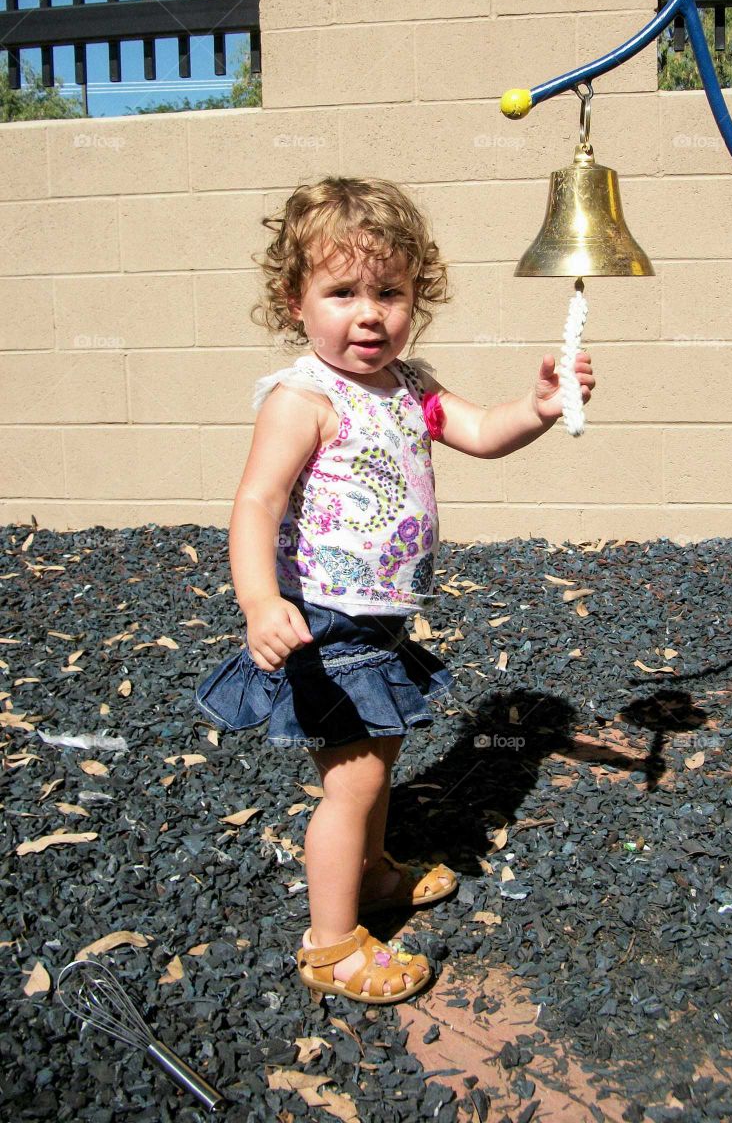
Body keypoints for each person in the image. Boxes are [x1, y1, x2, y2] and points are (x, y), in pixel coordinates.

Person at [195, 176, 595, 1006]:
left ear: (418, 295)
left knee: (378, 761)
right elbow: (256, 503)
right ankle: (333, 944)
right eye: (342, 292)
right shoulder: (303, 399)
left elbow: (483, 432)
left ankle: (373, 875)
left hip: (380, 619)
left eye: (390, 292)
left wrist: (540, 404)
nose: (369, 313)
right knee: (354, 783)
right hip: (325, 622)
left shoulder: (410, 387)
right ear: (295, 301)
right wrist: (259, 603)